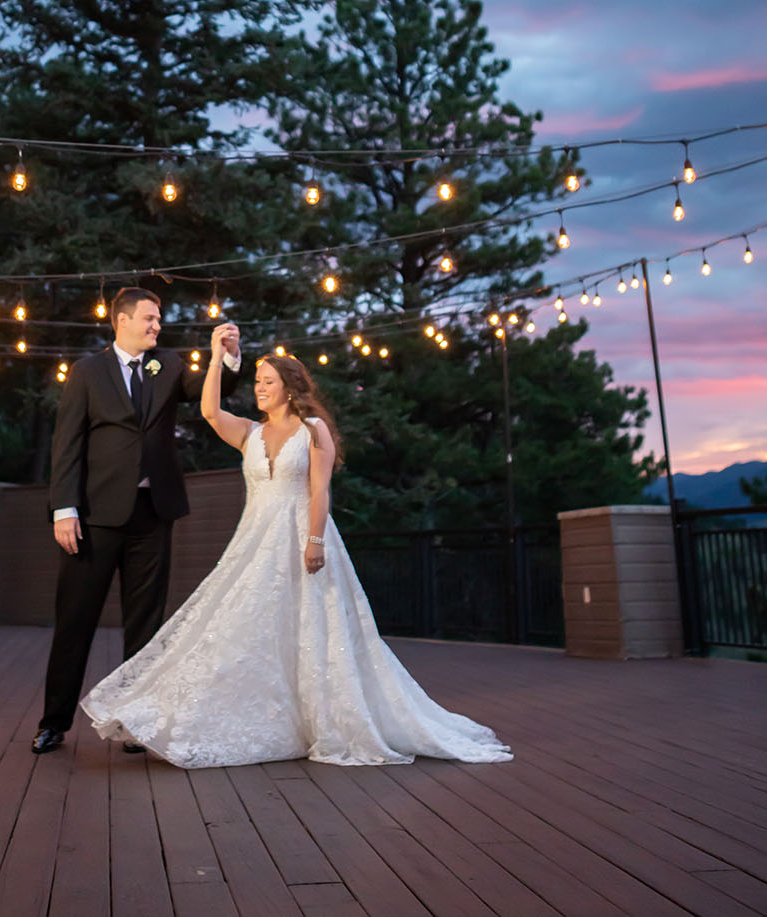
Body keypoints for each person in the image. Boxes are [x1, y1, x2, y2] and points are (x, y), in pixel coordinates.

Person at [79, 325, 511, 767]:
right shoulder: (248, 432)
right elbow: (209, 410)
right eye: (257, 383)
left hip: (304, 538)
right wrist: (215, 356)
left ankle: (324, 718)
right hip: (254, 544)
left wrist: (315, 540)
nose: (259, 389)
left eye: (267, 382)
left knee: (314, 631)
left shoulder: (313, 429)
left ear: (289, 388)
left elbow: (320, 490)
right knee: (241, 628)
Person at [35, 287, 192, 755]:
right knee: (75, 622)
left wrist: (229, 361)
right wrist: (64, 508)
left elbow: (203, 394)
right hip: (94, 518)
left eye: (159, 318)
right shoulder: (87, 372)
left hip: (153, 514)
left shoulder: (171, 364)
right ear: (120, 320)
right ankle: (54, 722)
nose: (156, 326)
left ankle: (133, 723)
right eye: (148, 318)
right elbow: (67, 445)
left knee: (145, 628)